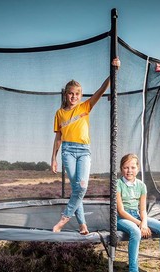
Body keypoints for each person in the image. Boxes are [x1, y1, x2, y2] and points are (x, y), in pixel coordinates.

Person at [51, 57, 121, 234]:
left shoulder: (85, 107)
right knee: (77, 189)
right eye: (70, 93)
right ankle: (82, 224)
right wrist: (53, 158)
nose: (74, 97)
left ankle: (64, 218)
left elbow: (100, 90)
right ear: (65, 94)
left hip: (83, 151)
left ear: (81, 96)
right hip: (67, 151)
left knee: (82, 186)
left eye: (77, 94)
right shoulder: (59, 113)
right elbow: (58, 137)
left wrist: (114, 71)